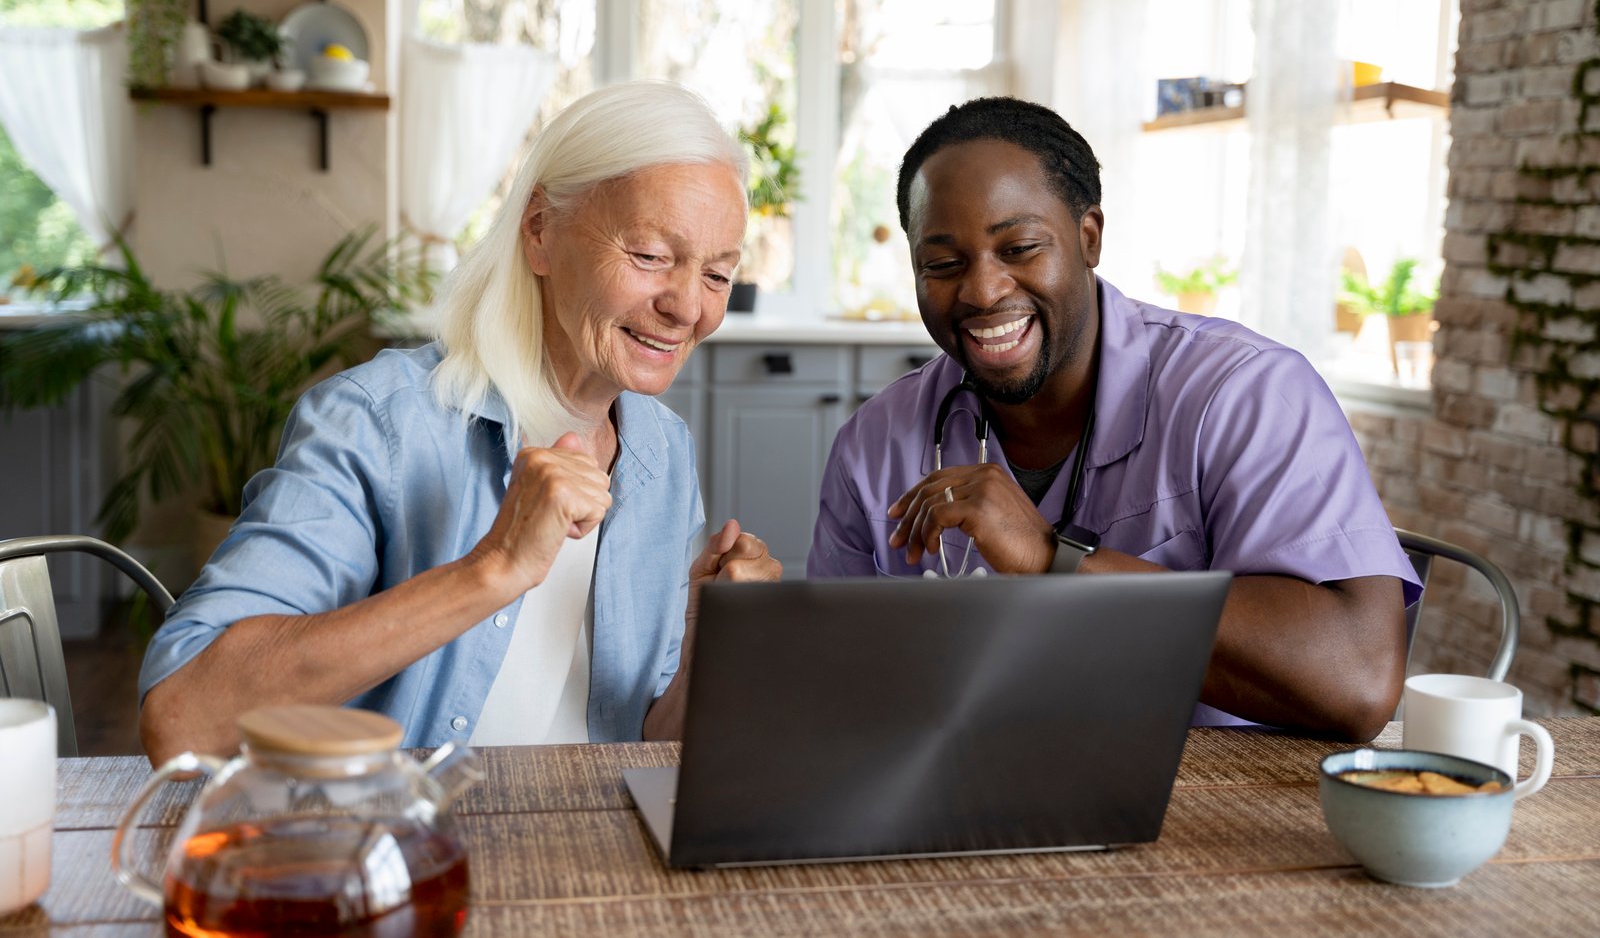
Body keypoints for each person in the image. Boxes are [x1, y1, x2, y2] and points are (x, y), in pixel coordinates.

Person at [140, 81, 780, 761]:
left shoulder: (663, 450)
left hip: (590, 829)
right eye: (650, 256)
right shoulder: (378, 422)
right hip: (408, 827)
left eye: (717, 275)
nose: (688, 308)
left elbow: (643, 743)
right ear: (540, 230)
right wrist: (492, 567)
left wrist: (709, 642)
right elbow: (183, 719)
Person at [808, 96, 1418, 742]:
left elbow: (1359, 680)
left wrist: (1055, 561)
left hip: (1210, 792)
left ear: (1089, 237)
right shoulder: (875, 443)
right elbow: (833, 682)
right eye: (942, 264)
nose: (982, 291)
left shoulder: (1246, 394)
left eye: (1019, 247)